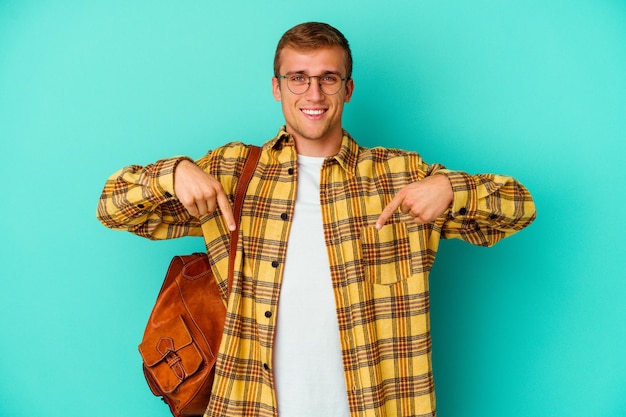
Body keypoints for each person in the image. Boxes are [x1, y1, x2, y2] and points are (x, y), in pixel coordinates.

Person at [97, 22, 536, 417]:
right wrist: (172, 173)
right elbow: (112, 207)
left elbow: (520, 208)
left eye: (328, 79)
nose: (313, 94)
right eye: (298, 79)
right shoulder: (233, 173)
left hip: (381, 404)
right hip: (249, 404)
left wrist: (452, 188)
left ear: (347, 89)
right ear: (277, 87)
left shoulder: (398, 175)